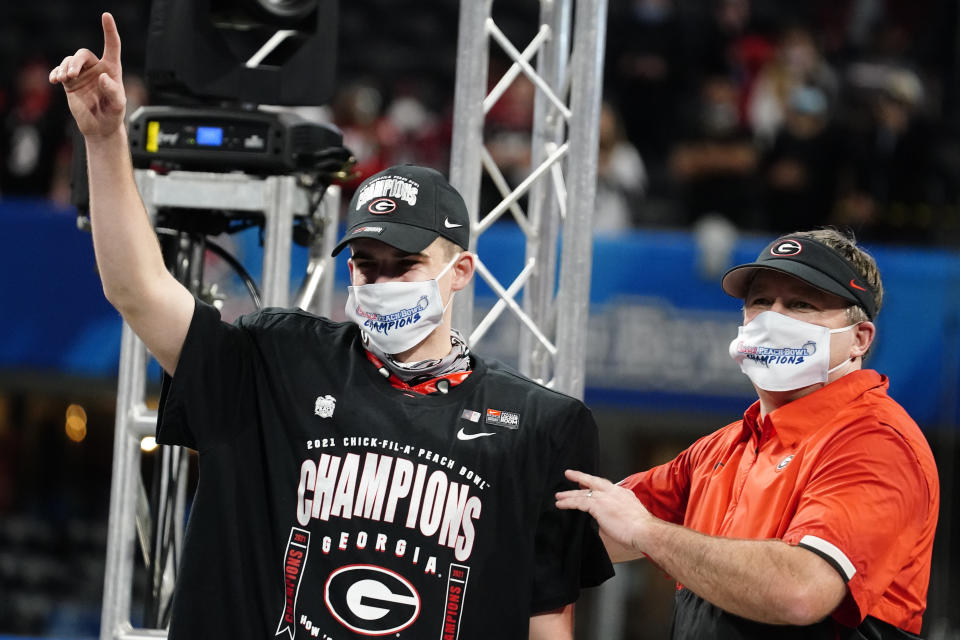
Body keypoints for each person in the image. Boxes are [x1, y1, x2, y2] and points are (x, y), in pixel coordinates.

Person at [50, 14, 612, 639]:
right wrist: (104, 142)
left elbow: (546, 620)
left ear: (461, 272)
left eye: (405, 266)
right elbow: (138, 290)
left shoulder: (538, 425)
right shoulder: (277, 361)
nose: (381, 283)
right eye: (367, 267)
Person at [557, 228, 939, 639]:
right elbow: (591, 533)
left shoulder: (875, 442)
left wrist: (648, 531)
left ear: (858, 340)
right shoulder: (724, 447)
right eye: (760, 301)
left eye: (800, 304)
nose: (773, 317)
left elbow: (802, 591)